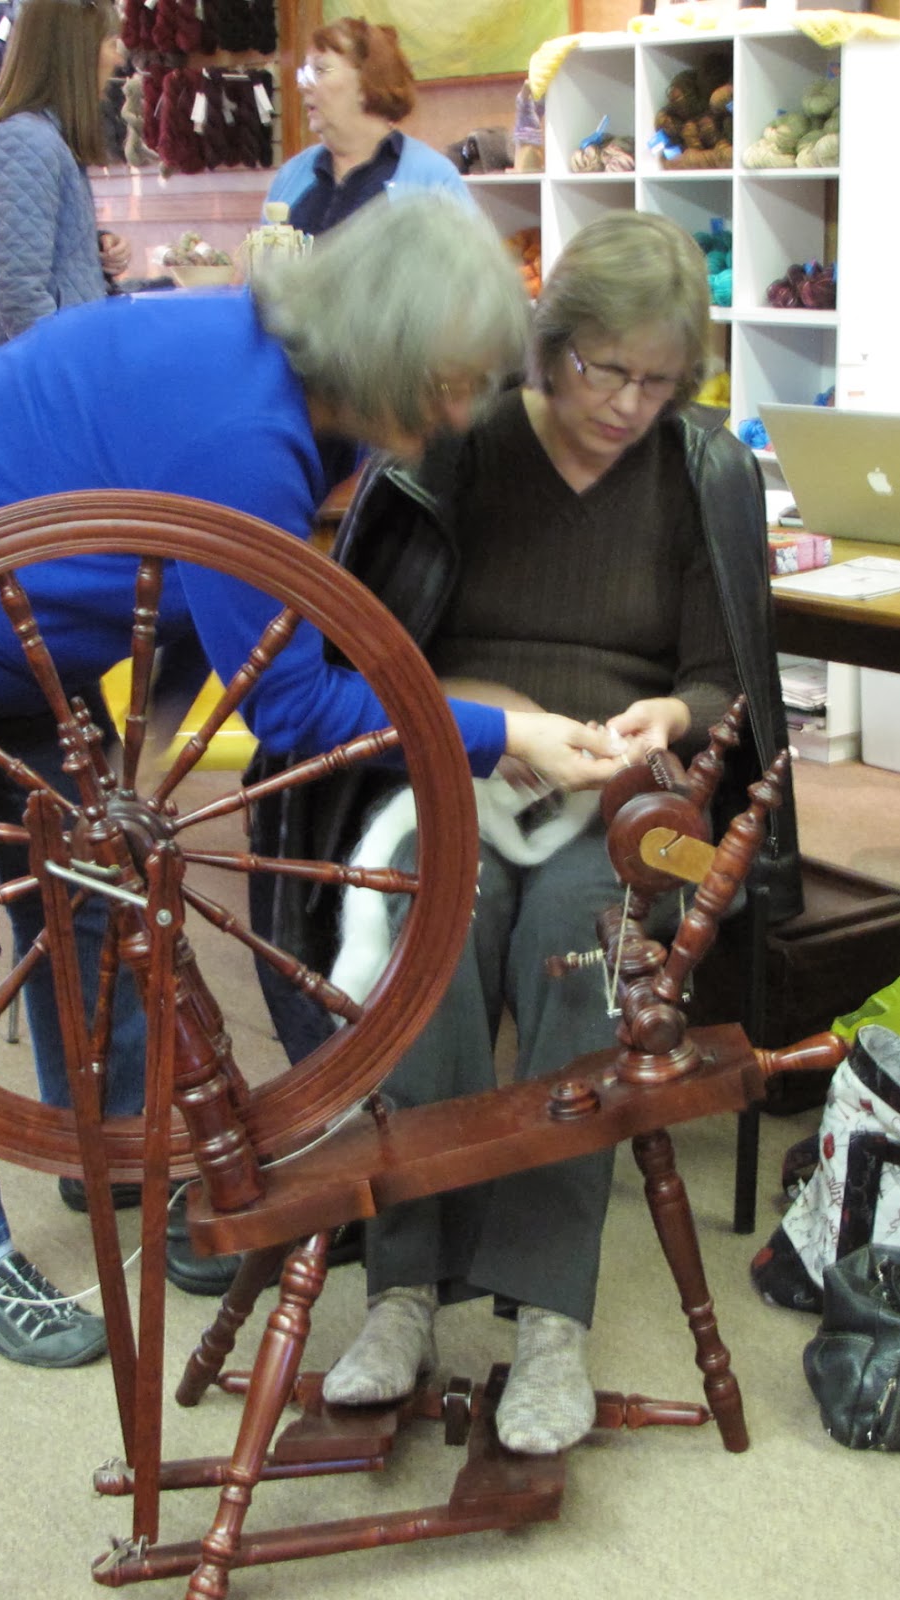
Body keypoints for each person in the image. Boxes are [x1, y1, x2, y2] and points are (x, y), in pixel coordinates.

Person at [0, 193, 626, 1372]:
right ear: (381, 351)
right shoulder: (244, 433)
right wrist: (500, 734)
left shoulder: (287, 384)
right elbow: (290, 704)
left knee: (93, 896)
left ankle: (118, 1163)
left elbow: (190, 601)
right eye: (448, 384)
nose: (462, 413)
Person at [285, 211, 802, 1452]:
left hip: (616, 794)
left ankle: (549, 1316)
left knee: (580, 941)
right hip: (459, 762)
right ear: (545, 342)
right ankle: (404, 1289)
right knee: (435, 919)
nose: (628, 404)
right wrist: (490, 719)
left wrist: (667, 714)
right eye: (602, 369)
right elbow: (374, 651)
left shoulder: (696, 471)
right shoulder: (454, 442)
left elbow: (721, 681)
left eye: (659, 381)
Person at [0, 0, 131, 370]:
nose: (117, 58)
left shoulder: (42, 140)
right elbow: (20, 295)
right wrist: (71, 377)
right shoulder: (25, 143)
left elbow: (26, 252)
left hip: (31, 371)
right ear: (74, 53)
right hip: (26, 381)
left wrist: (91, 247)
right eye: (110, 43)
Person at [264, 16, 469, 236]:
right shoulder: (291, 176)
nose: (303, 86)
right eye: (304, 73)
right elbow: (264, 256)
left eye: (320, 70)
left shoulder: (433, 179)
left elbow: (467, 258)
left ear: (366, 82)